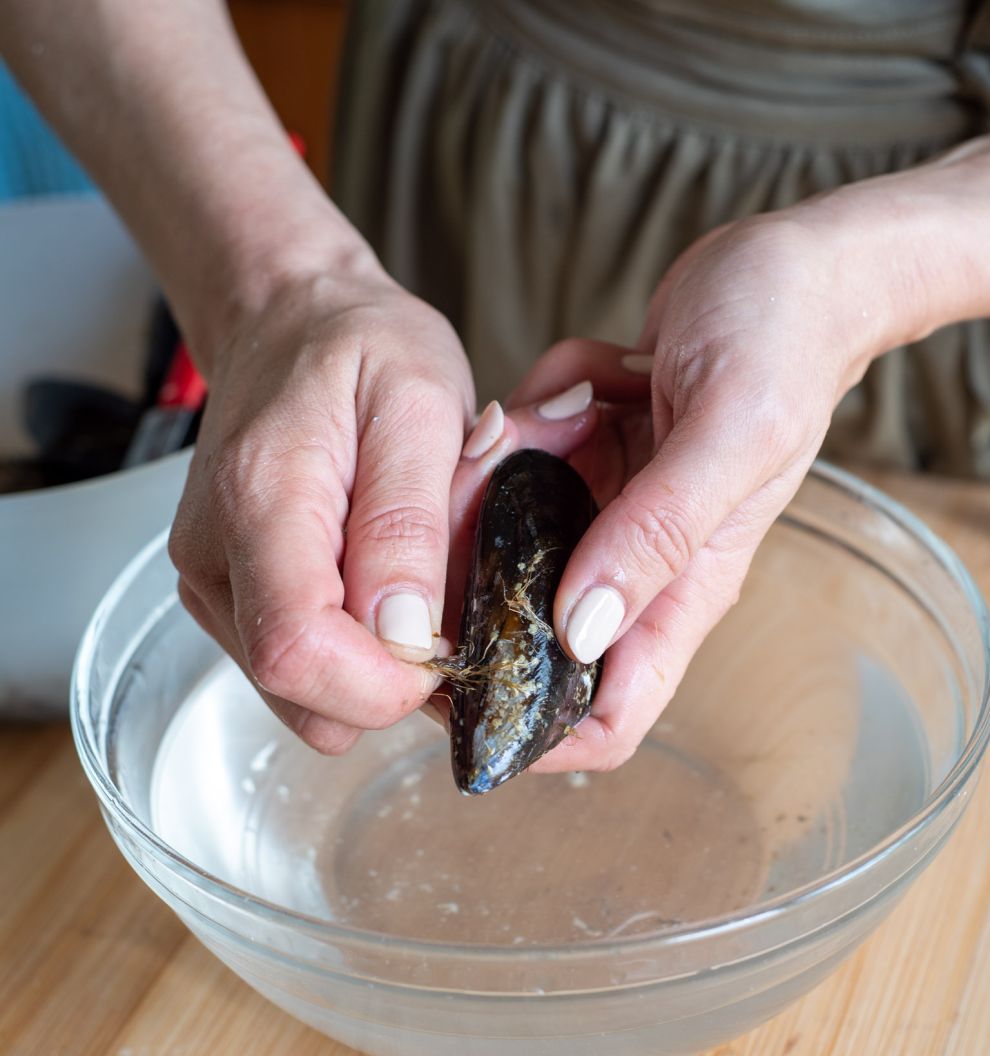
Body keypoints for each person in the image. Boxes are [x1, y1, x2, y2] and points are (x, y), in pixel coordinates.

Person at [2, 0, 989, 774]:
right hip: (463, 147)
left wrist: (873, 273)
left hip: (935, 250)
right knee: (381, 523)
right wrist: (278, 284)